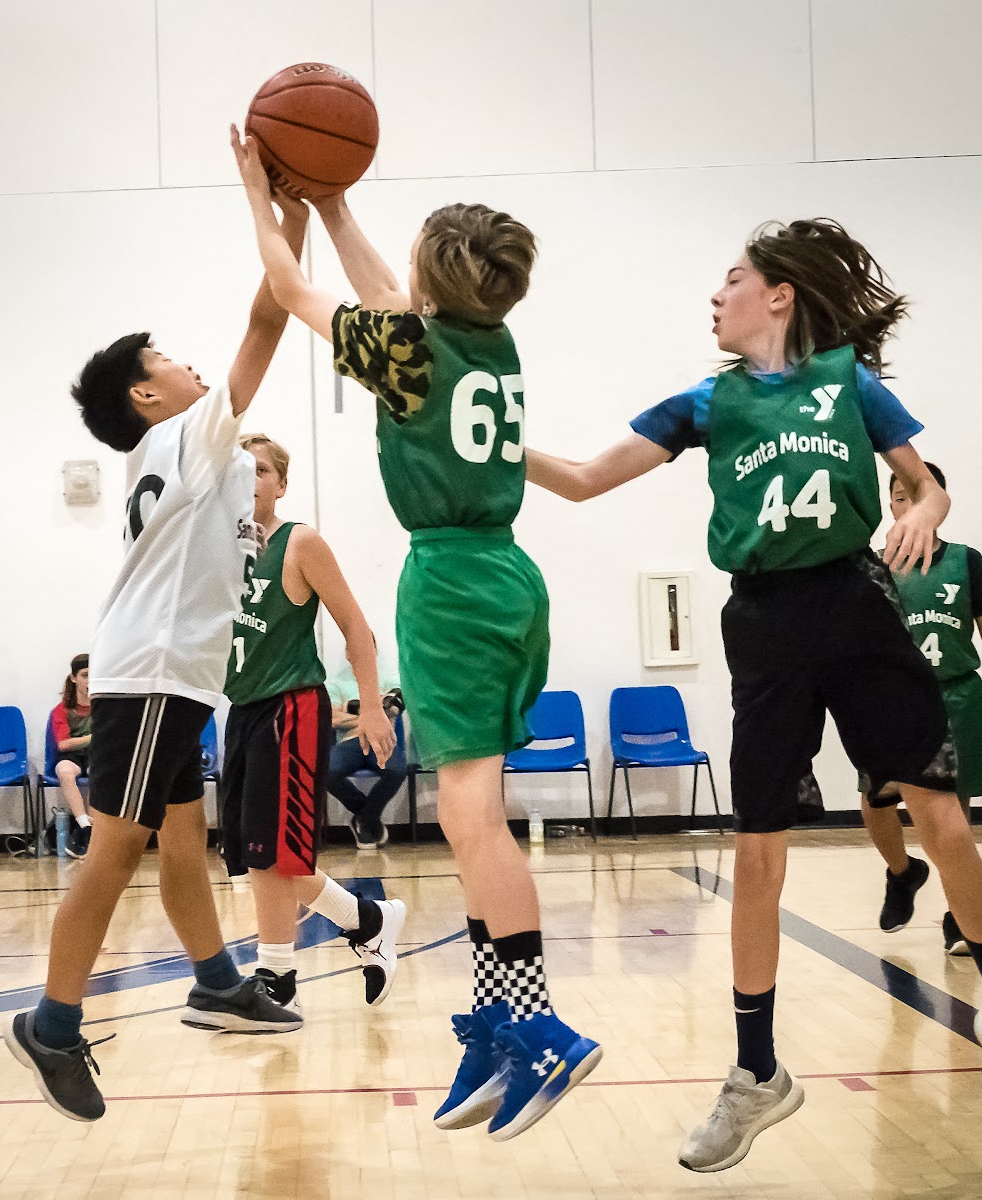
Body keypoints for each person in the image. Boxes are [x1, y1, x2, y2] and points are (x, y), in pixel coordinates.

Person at [523, 219, 982, 1171]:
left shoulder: (849, 383)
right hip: (765, 623)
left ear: (778, 295)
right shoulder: (705, 402)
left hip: (856, 602)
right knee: (756, 848)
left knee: (940, 812)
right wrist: (491, 443)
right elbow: (587, 480)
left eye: (731, 278)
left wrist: (926, 514)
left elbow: (926, 486)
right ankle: (756, 1073)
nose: (714, 295)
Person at [235, 128, 602, 1142]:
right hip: (502, 573)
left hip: (453, 583)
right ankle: (493, 1026)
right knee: (464, 815)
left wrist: (259, 193)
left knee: (473, 818)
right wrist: (334, 204)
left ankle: (539, 1028)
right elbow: (393, 300)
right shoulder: (487, 339)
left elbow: (287, 285)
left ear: (430, 281)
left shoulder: (407, 346)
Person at [4, 192, 309, 1124]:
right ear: (146, 395)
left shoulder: (174, 453)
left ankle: (216, 982)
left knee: (181, 837)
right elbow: (269, 317)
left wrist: (290, 218)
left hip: (175, 672)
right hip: (154, 674)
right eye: (167, 358)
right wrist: (280, 207)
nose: (186, 362)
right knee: (114, 850)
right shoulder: (186, 435)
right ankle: (52, 1024)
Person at [221, 433, 407, 1015]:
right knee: (254, 852)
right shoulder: (220, 549)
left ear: (280, 484)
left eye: (260, 470)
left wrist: (371, 706)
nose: (248, 480)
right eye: (238, 470)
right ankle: (356, 926)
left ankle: (285, 971)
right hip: (242, 709)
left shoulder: (300, 542)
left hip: (291, 707)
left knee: (281, 851)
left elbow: (356, 627)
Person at [862, 463, 982, 953]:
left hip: (957, 696)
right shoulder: (874, 565)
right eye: (898, 496)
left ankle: (960, 916)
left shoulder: (965, 560)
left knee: (953, 818)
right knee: (875, 802)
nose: (906, 504)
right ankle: (902, 871)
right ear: (890, 505)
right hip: (893, 701)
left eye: (914, 495)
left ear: (936, 503)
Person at [325, 664, 407, 848]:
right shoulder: (337, 684)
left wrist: (348, 710)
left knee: (396, 770)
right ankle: (370, 819)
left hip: (381, 739)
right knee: (327, 772)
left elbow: (394, 706)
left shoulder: (389, 678)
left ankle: (364, 818)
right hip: (349, 741)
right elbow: (331, 719)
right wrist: (372, 717)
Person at [49, 653, 93, 859]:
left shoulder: (103, 706)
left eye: (94, 676)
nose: (89, 681)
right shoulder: (62, 709)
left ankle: (96, 830)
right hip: (72, 756)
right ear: (74, 678)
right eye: (85, 675)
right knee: (64, 771)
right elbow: (64, 744)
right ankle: (84, 825)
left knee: (102, 772)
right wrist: (93, 737)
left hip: (96, 755)